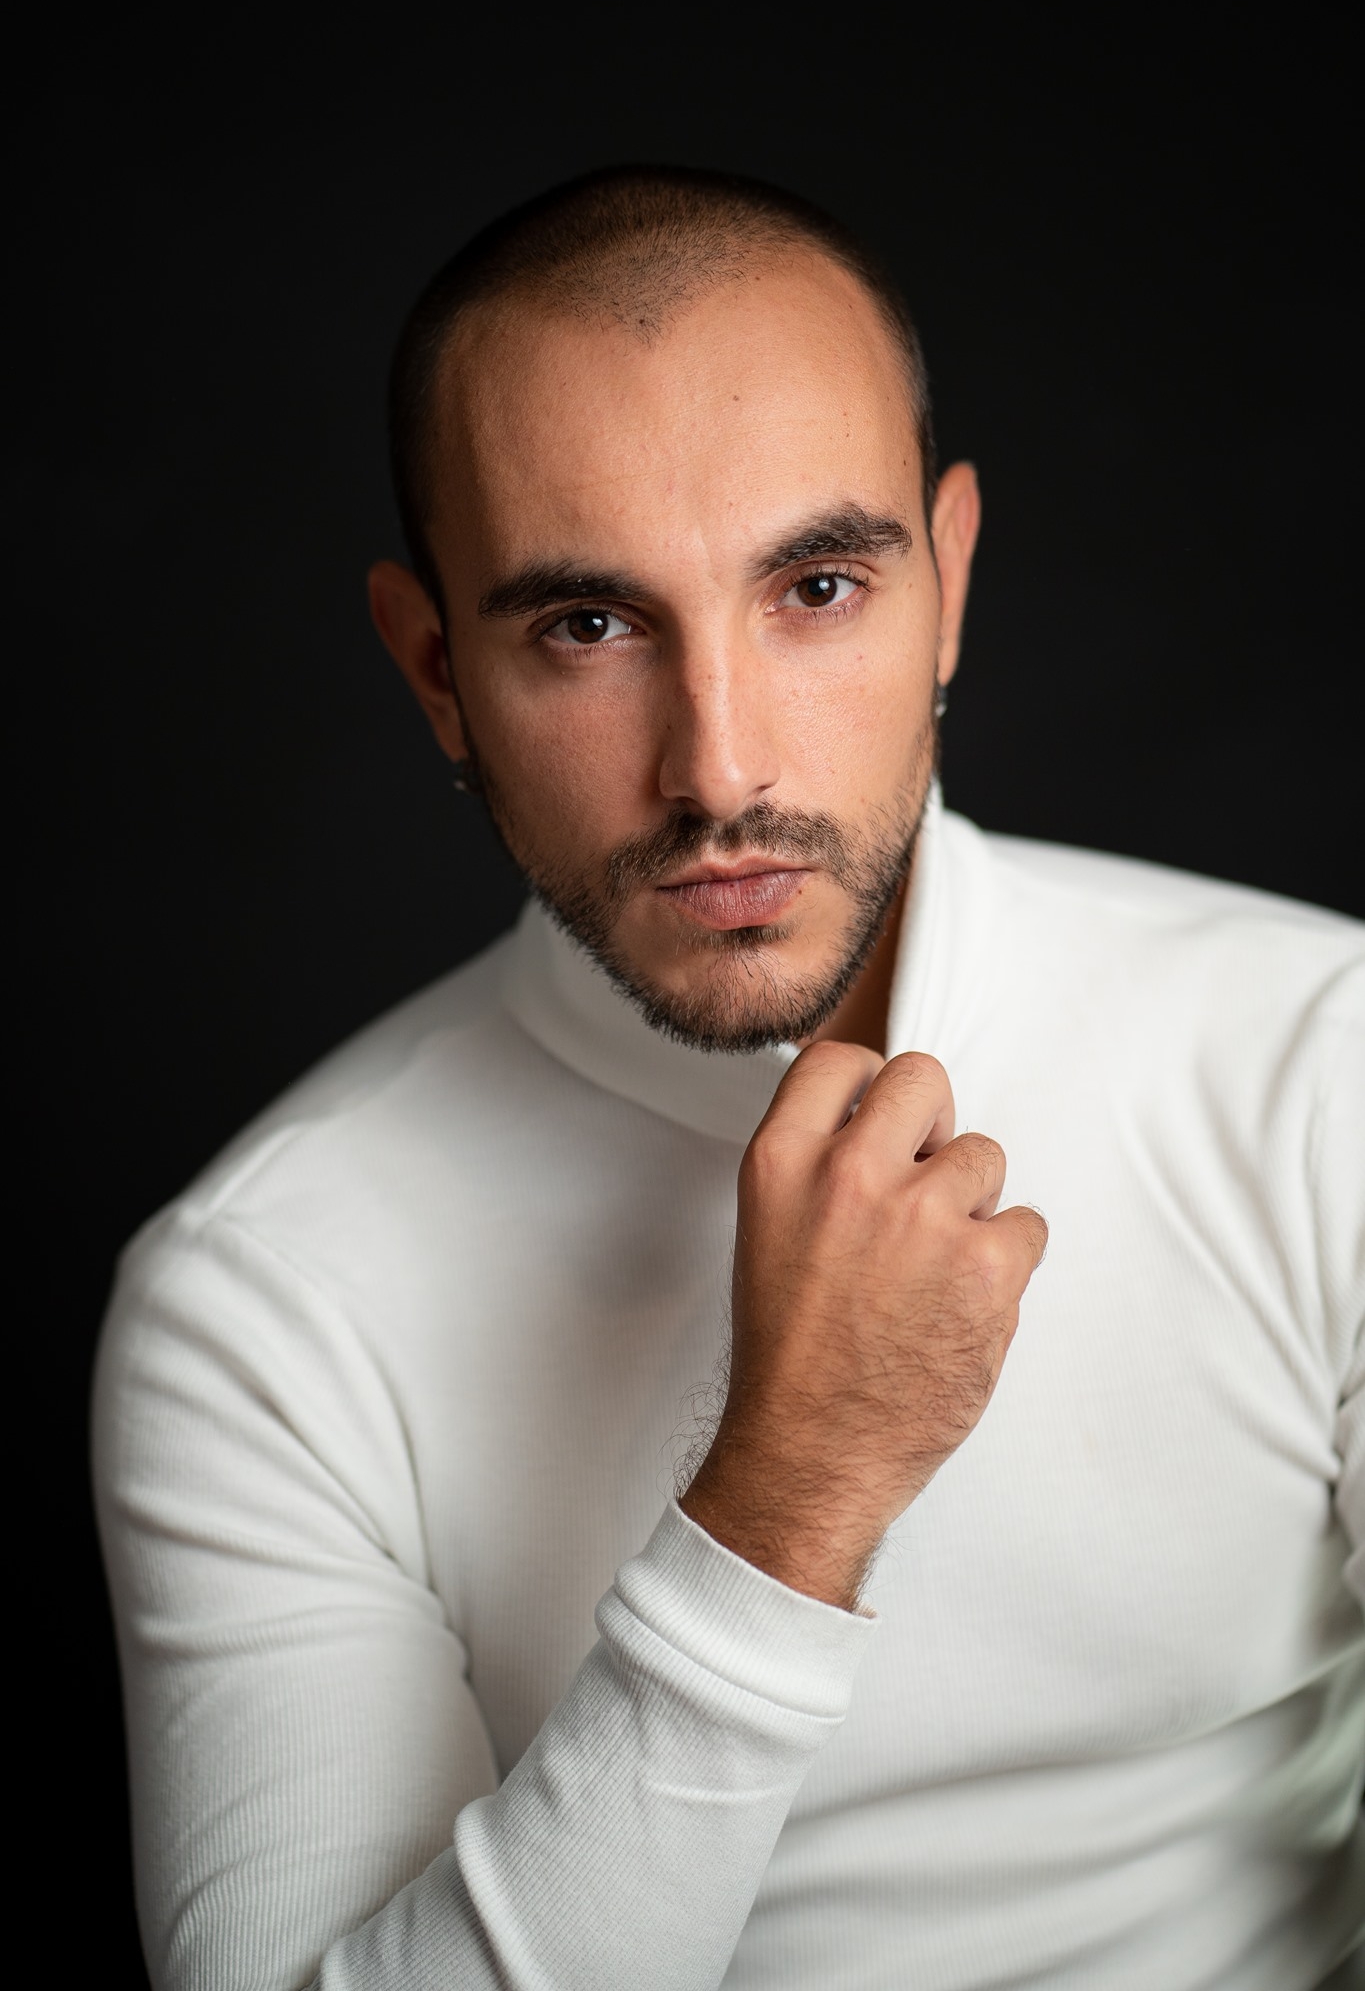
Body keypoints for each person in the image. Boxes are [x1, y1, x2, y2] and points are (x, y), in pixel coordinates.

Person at [93, 166, 1365, 1991]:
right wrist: (787, 1497)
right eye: (587, 627)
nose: (719, 767)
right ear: (437, 673)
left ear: (947, 585)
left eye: (817, 587)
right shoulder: (256, 1304)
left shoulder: (1319, 1069)